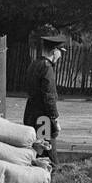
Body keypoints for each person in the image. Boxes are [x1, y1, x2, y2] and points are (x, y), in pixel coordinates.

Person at [24, 32, 66, 164]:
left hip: (31, 113)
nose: (61, 55)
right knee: (47, 152)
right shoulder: (47, 68)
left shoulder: (34, 64)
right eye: (60, 51)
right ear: (54, 51)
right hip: (43, 118)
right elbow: (49, 96)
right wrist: (55, 119)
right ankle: (53, 175)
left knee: (37, 149)